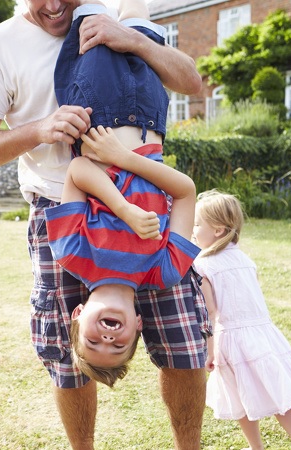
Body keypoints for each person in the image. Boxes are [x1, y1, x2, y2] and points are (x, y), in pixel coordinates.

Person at [0, 0, 210, 450]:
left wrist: (131, 38)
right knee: (67, 360)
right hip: (60, 211)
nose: (53, 6)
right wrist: (38, 130)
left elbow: (191, 81)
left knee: (183, 347)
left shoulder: (114, 11)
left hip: (145, 203)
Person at [45, 0, 199, 385]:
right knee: (136, 15)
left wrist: (125, 207)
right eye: (118, 345)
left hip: (95, 106)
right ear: (138, 325)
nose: (108, 338)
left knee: (92, 13)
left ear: (77, 315)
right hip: (149, 117)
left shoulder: (72, 255)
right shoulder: (164, 270)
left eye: (94, 342)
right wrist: (125, 159)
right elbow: (186, 192)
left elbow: (79, 169)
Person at [192, 190, 291, 450]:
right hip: (264, 334)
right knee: (279, 393)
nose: (193, 231)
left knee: (240, 397)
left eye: (196, 224)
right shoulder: (246, 260)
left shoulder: (202, 265)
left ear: (218, 230)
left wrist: (210, 350)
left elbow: (212, 313)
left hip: (230, 337)